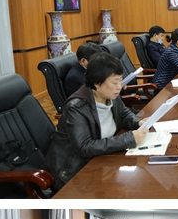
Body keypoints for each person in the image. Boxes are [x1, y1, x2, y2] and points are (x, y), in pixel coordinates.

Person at [46, 52, 148, 192]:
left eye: (120, 81)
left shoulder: (110, 94)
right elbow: (84, 147)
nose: (120, 86)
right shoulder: (77, 107)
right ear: (97, 83)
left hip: (103, 160)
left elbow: (123, 114)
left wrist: (138, 123)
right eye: (115, 82)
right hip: (76, 172)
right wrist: (128, 139)